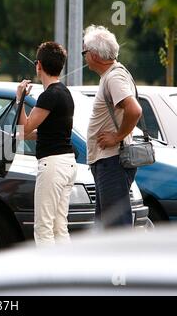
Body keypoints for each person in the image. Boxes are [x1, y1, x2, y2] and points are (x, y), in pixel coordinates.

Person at [16, 42, 77, 246]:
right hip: (67, 164)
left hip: (52, 165)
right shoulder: (65, 92)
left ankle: (48, 276)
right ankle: (67, 276)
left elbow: (24, 129)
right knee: (59, 227)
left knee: (43, 228)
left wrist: (20, 100)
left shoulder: (49, 95)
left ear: (38, 65)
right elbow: (43, 132)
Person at [83, 25, 142, 228]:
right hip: (107, 162)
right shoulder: (110, 75)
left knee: (116, 227)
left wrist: (116, 137)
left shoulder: (114, 77)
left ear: (94, 55)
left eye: (85, 52)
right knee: (106, 226)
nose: (84, 57)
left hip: (112, 161)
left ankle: (124, 260)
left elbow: (134, 110)